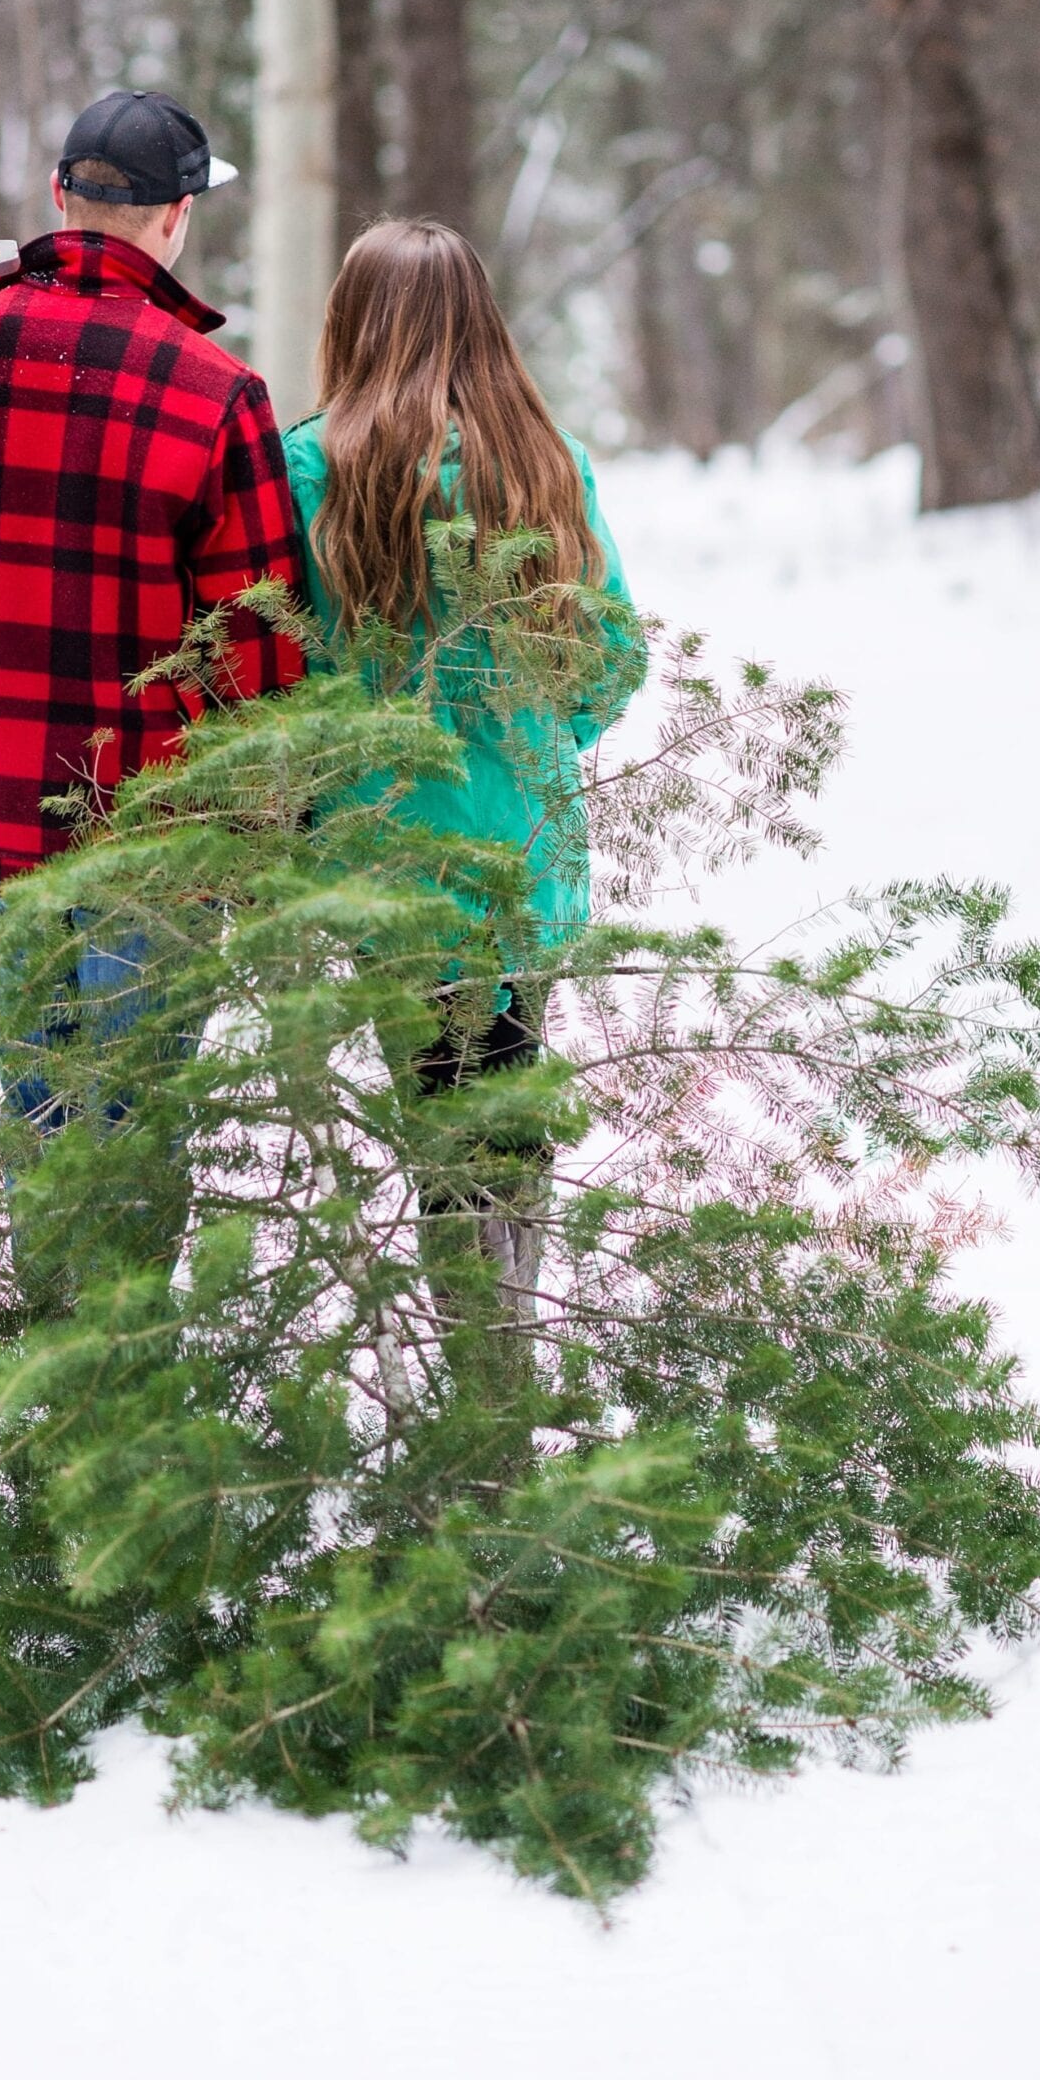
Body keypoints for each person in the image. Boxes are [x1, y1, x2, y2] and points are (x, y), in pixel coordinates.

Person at [0, 87, 305, 1138]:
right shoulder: (216, 392)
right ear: (177, 216)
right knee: (131, 1140)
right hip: (152, 835)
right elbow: (261, 648)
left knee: (41, 1127)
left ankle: (48, 1305)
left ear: (56, 195)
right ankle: (117, 1305)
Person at [280, 216, 641, 1369]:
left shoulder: (306, 464)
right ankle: (505, 1357)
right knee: (510, 1109)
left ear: (348, 323)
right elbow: (611, 655)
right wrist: (541, 732)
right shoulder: (546, 460)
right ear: (482, 323)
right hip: (523, 851)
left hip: (385, 860)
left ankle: (480, 1391)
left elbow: (285, 658)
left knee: (435, 1123)